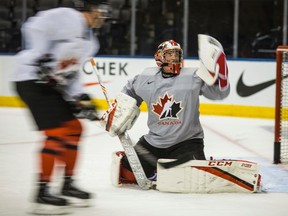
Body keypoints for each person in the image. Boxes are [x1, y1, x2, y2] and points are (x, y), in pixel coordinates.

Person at [10, 0, 110, 214]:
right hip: (30, 80)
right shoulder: (68, 16)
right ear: (89, 9)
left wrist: (80, 97)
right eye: (101, 10)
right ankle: (41, 193)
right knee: (56, 132)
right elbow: (32, 26)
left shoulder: (90, 41)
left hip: (51, 85)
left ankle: (67, 184)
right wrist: (40, 56)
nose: (103, 15)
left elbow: (71, 72)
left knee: (75, 129)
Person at [107, 39, 230, 185]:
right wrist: (117, 112)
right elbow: (129, 92)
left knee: (189, 179)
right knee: (127, 173)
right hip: (154, 142)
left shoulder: (194, 76)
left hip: (186, 142)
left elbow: (218, 94)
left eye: (176, 54)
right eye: (169, 54)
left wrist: (220, 78)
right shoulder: (146, 78)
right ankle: (157, 171)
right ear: (159, 57)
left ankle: (193, 161)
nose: (174, 58)